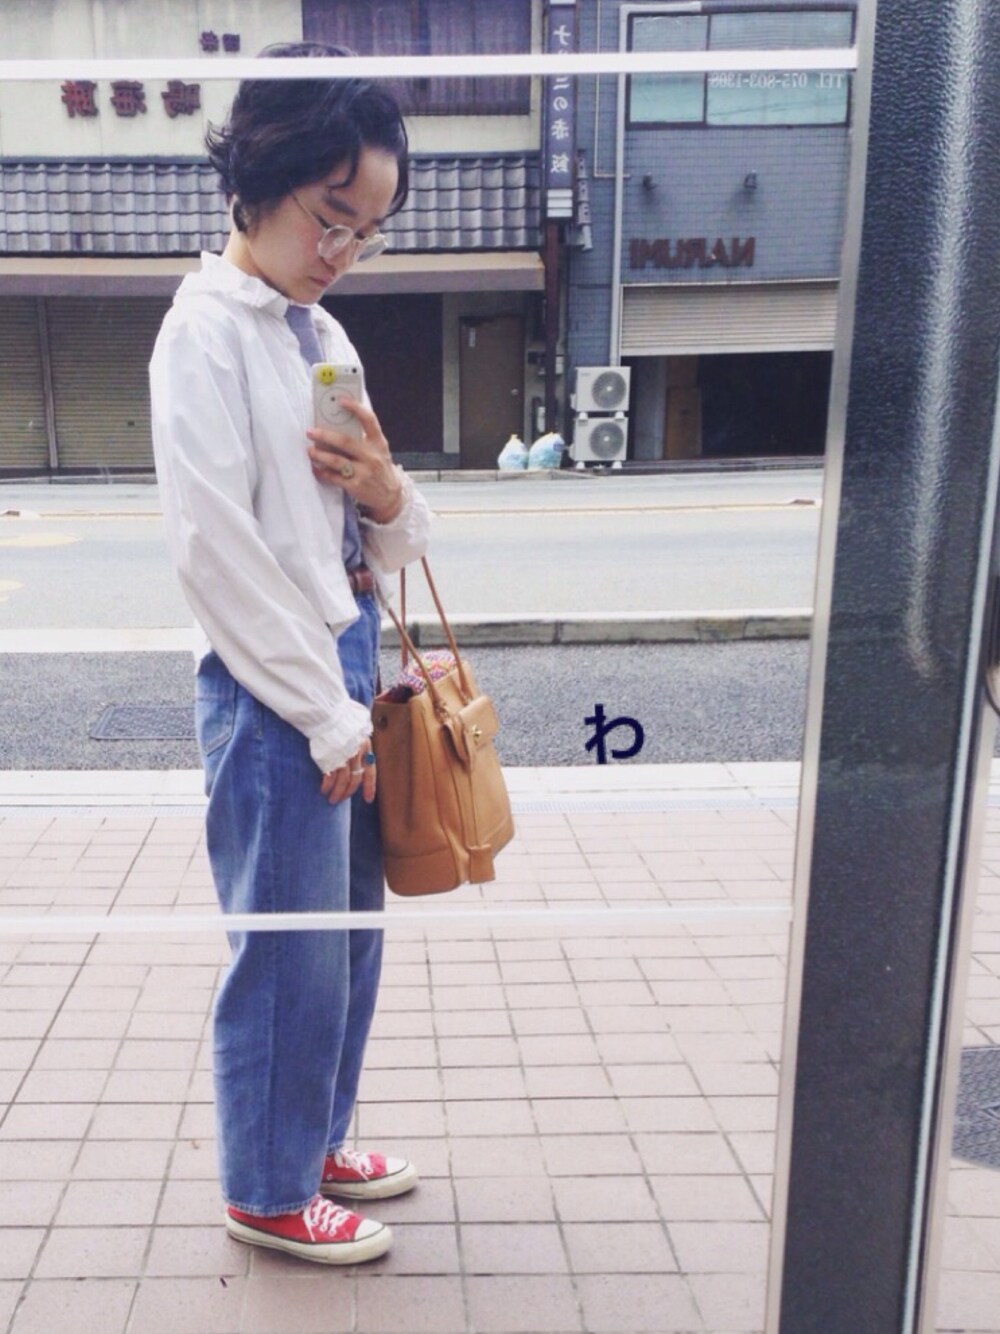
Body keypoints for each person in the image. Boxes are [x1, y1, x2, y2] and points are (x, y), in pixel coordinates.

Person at [149, 42, 431, 1266]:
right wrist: (325, 714)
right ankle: (267, 1188)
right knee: (287, 949)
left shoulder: (320, 332)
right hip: (275, 691)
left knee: (348, 936)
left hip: (341, 667)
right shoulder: (201, 335)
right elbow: (216, 556)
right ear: (260, 177)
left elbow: (377, 528)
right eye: (331, 216)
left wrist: (386, 488)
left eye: (366, 231)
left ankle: (312, 1141)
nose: (342, 249)